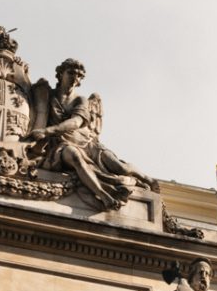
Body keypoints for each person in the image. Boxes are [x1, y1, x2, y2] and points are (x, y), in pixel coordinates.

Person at [26, 59, 152, 208]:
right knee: (75, 157)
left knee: (120, 168)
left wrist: (48, 131)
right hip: (60, 144)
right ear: (60, 74)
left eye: (79, 76)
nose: (75, 78)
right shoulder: (48, 95)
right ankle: (103, 194)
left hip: (86, 143)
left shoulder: (81, 100)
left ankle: (145, 178)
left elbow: (75, 122)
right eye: (71, 73)